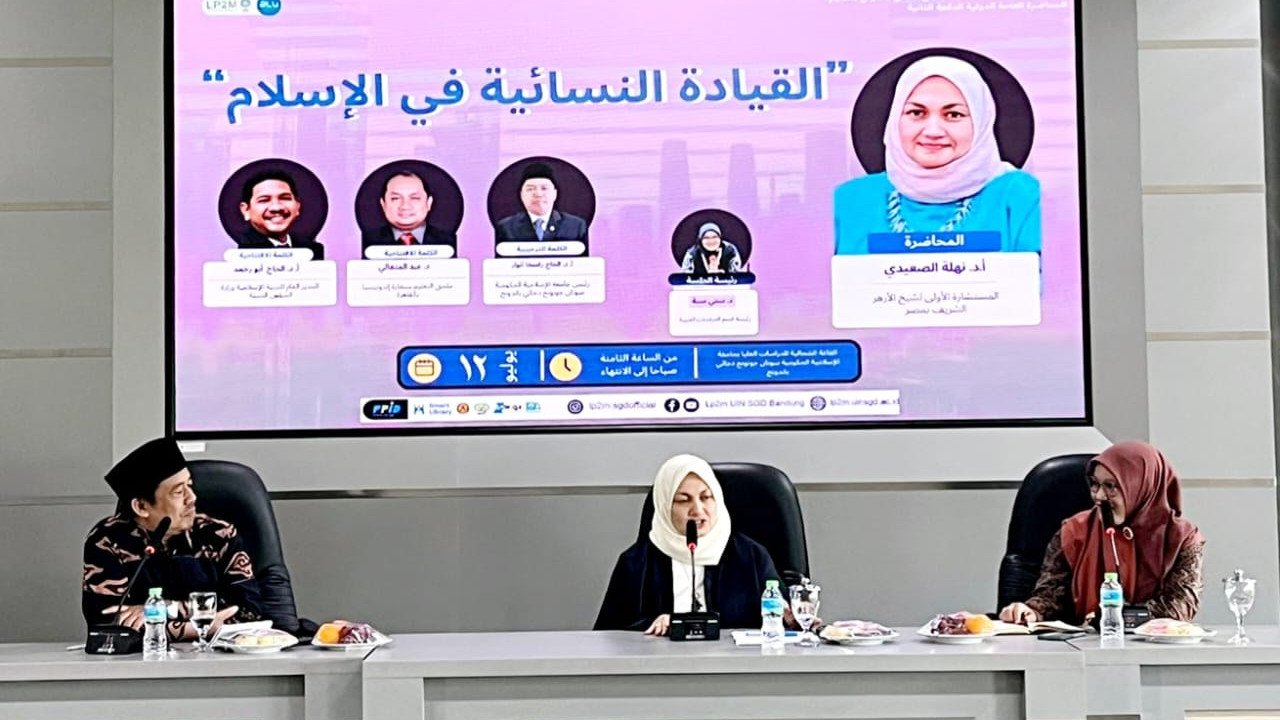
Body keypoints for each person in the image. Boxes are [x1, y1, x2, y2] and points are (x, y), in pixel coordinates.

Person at [834, 56, 1040, 255]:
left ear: (981, 122)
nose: (933, 131)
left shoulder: (1022, 196)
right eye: (917, 113)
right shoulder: (849, 200)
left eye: (954, 115)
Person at [999, 441, 1205, 626]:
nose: (1098, 496)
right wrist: (1030, 611)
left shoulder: (1182, 538)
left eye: (1110, 486)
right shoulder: (1074, 531)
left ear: (1141, 487)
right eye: (1095, 484)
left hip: (1156, 650)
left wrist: (1115, 617)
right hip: (1083, 647)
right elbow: (1050, 596)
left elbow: (1179, 608)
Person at [82, 438, 263, 641]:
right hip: (142, 659)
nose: (192, 497)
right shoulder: (107, 541)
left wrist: (167, 609)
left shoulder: (219, 535)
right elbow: (107, 625)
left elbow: (249, 611)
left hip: (217, 655)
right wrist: (198, 628)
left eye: (190, 485)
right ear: (141, 507)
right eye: (178, 492)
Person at [594, 454, 782, 635]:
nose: (698, 510)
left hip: (734, 657)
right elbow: (608, 636)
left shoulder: (751, 556)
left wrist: (790, 617)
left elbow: (782, 614)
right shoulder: (635, 563)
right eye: (683, 500)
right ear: (665, 506)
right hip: (660, 657)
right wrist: (653, 625)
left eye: (706, 497)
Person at [361, 170, 457, 255]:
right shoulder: (365, 242)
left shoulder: (450, 241)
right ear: (383, 204)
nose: (405, 206)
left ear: (429, 202)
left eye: (415, 198)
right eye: (395, 198)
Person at [235, 169, 326, 260]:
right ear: (246, 210)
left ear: (298, 206)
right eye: (264, 200)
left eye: (285, 198)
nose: (276, 208)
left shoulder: (311, 249)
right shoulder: (240, 251)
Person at [495, 162, 588, 244]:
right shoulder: (506, 227)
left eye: (544, 188)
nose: (538, 194)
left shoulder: (576, 226)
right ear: (522, 195)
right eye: (530, 189)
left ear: (555, 194)